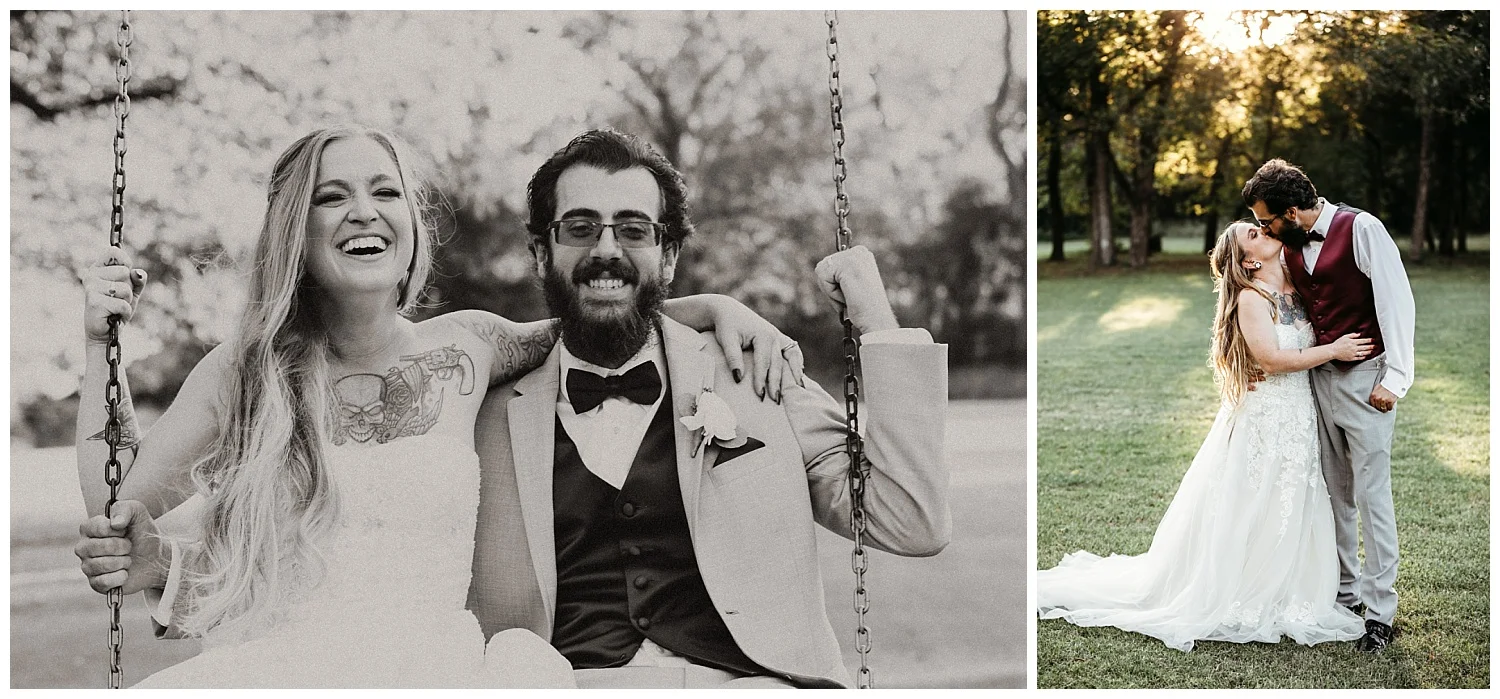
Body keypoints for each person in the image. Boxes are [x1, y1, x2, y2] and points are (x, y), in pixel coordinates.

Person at [72, 125, 801, 688]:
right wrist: (97, 345)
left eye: (385, 192)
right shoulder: (242, 373)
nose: (366, 212)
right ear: (296, 226)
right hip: (285, 667)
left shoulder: (470, 345)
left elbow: (593, 312)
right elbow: (116, 505)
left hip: (436, 669)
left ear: (411, 223)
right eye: (333, 195)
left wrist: (713, 306)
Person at [459, 128, 951, 688]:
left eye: (633, 229)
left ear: (668, 256)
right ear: (539, 254)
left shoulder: (755, 368)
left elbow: (910, 521)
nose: (605, 249)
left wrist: (876, 323)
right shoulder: (482, 411)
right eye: (580, 227)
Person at [1036, 221, 1369, 652]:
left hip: (1298, 415)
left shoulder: (1293, 283)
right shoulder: (1251, 299)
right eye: (1253, 233)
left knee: (1292, 496)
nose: (1262, 231)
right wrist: (1335, 350)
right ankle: (1243, 588)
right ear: (1249, 260)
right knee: (1253, 498)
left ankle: (1293, 587)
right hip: (1265, 415)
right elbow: (1269, 358)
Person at [1241, 159, 1415, 653]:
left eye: (1265, 220)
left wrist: (1396, 379)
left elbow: (1396, 302)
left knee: (1371, 496)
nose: (1262, 229)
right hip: (1317, 380)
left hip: (1367, 380)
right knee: (1335, 491)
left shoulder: (1362, 228)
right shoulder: (1290, 247)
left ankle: (1381, 612)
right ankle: (1346, 592)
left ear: (1291, 211)